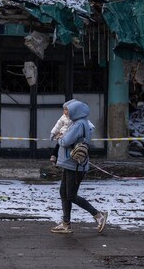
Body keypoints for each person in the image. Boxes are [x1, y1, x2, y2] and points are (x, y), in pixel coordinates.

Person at [51, 99, 107, 234]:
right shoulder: (80, 123)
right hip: (71, 164)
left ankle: (98, 215)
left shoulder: (78, 125)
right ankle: (66, 224)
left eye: (68, 111)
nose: (66, 113)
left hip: (75, 166)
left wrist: (59, 137)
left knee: (71, 195)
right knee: (64, 193)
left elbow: (65, 141)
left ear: (75, 112)